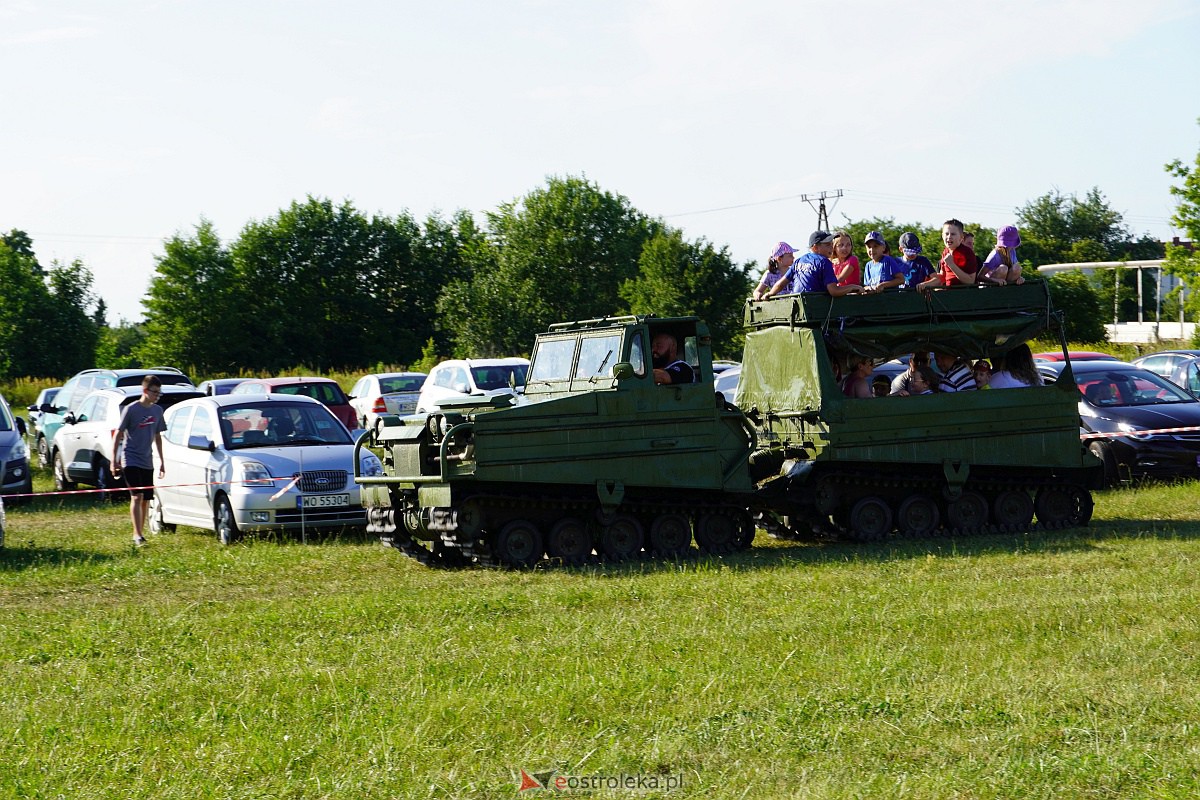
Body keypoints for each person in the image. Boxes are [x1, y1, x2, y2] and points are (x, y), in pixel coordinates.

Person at [112, 375, 167, 546]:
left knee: (145, 499)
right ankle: (137, 535)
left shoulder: (157, 411)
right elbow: (118, 435)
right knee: (137, 496)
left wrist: (162, 461)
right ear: (145, 390)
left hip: (147, 460)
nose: (158, 395)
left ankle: (140, 532)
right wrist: (114, 460)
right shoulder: (131, 409)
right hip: (131, 458)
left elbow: (158, 436)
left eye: (159, 392)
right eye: (155, 392)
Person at [766, 231, 862, 298]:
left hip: (797, 303)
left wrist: (769, 294)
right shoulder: (824, 262)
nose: (831, 248)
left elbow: (780, 284)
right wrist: (852, 287)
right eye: (827, 245)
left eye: (831, 244)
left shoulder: (799, 261)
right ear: (815, 248)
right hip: (815, 307)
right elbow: (834, 291)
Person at [919, 219, 978, 291]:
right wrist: (926, 282)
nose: (949, 237)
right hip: (948, 293)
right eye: (946, 234)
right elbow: (943, 277)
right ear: (942, 236)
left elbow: (970, 281)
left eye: (953, 234)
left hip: (964, 294)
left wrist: (951, 264)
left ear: (961, 237)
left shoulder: (968, 253)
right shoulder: (945, 251)